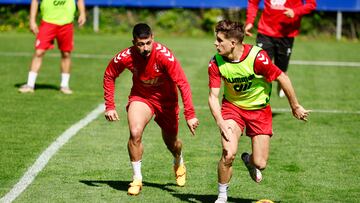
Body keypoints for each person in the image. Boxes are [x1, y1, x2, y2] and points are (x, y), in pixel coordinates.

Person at [208, 20, 310, 203]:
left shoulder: (257, 58)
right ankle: (222, 196)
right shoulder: (216, 62)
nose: (215, 43)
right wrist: (221, 122)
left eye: (219, 40)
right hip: (233, 109)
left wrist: (295, 106)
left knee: (260, 163)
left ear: (233, 43)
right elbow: (213, 97)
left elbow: (282, 78)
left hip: (260, 111)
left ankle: (248, 161)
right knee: (228, 152)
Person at [103, 23, 199, 196]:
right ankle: (137, 178)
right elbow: (110, 74)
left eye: (148, 43)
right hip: (142, 98)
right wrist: (109, 105)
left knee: (172, 143)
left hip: (166, 102)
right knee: (135, 132)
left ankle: (178, 160)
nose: (145, 48)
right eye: (140, 44)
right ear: (134, 42)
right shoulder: (126, 56)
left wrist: (190, 114)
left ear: (153, 38)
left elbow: (182, 83)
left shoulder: (164, 56)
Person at [245, 0, 316, 97]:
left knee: (281, 71)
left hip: (286, 34)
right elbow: (253, 2)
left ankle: (281, 81)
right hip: (265, 32)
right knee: (260, 69)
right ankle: (257, 103)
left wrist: (295, 11)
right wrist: (250, 21)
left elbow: (311, 4)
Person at [19, 0, 86, 94]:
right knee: (39, 52)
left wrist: (82, 13)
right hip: (48, 22)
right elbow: (35, 1)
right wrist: (32, 20)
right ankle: (30, 85)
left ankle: (64, 85)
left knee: (66, 53)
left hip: (66, 23)